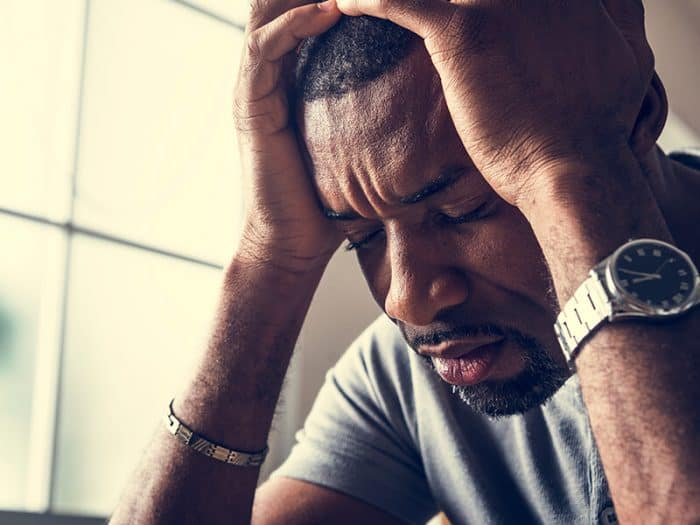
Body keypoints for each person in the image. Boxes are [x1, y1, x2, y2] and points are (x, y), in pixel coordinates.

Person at [110, 0, 700, 523]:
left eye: (465, 210)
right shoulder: (408, 376)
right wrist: (270, 259)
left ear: (637, 116)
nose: (407, 300)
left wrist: (568, 173)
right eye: (361, 238)